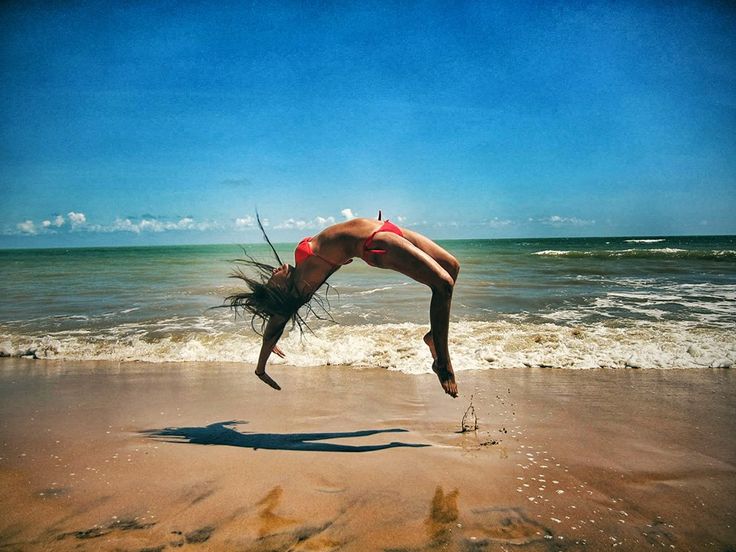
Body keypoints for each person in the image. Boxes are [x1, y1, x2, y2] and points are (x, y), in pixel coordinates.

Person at [227, 213, 460, 398]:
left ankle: (433, 338)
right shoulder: (303, 283)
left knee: (452, 266)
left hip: (384, 227)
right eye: (271, 282)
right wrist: (261, 368)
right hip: (374, 242)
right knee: (443, 285)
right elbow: (278, 318)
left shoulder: (300, 269)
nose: (273, 272)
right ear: (280, 292)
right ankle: (443, 363)